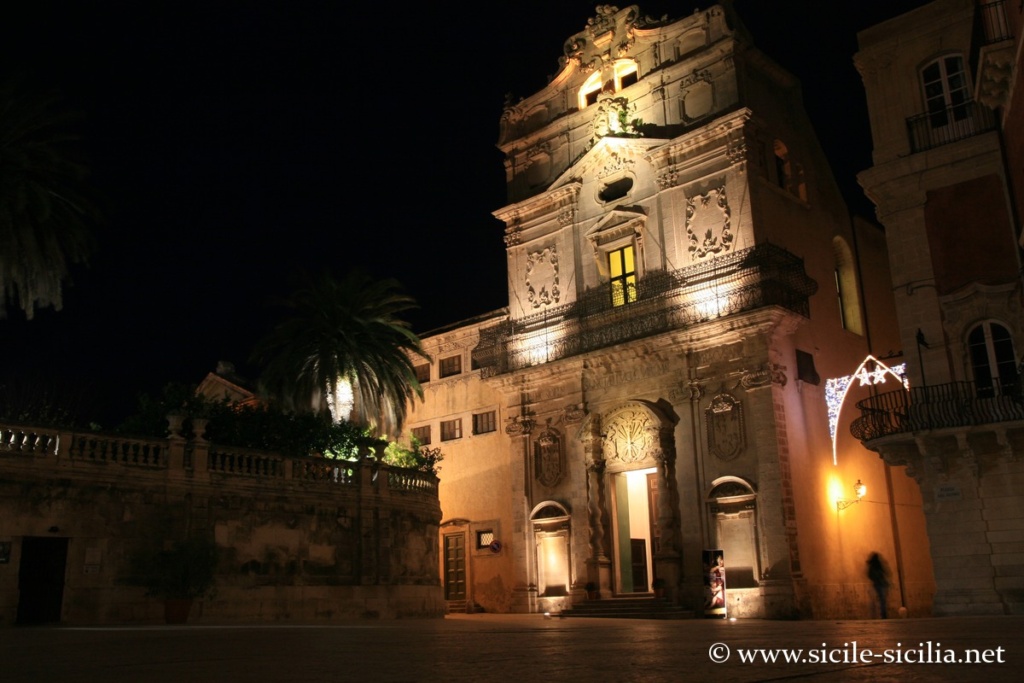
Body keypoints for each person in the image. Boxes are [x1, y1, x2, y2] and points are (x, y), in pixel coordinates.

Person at [866, 552, 891, 619]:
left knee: (881, 599)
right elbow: (885, 573)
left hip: (877, 584)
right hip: (880, 584)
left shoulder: (872, 566)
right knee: (882, 600)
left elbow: (869, 575)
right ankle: (883, 615)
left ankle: (882, 615)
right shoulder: (878, 566)